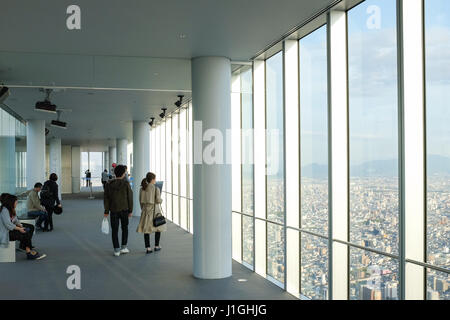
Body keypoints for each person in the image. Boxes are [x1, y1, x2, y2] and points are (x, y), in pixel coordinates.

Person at [0, 193, 46, 260]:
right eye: (16, 202)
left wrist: (20, 226)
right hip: (5, 233)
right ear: (11, 202)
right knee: (24, 233)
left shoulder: (11, 209)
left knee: (30, 227)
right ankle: (29, 252)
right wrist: (19, 229)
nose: (17, 203)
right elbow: (8, 225)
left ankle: (24, 245)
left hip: (10, 229)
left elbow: (16, 220)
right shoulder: (4, 211)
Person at [104, 165, 133, 257]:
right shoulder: (126, 184)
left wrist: (106, 211)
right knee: (125, 228)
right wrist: (130, 210)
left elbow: (106, 199)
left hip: (113, 210)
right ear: (123, 174)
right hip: (124, 209)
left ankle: (116, 250)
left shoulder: (108, 184)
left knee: (114, 230)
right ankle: (124, 247)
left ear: (115, 173)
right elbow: (130, 198)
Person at [136, 172, 165, 254]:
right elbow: (158, 201)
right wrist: (161, 200)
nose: (155, 180)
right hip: (155, 211)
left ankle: (148, 248)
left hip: (145, 211)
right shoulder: (156, 189)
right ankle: (156, 246)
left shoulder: (142, 188)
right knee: (158, 228)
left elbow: (140, 201)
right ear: (152, 179)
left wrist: (143, 210)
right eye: (155, 179)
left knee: (146, 230)